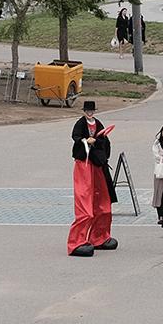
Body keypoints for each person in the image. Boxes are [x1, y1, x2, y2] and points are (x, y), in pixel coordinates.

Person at [67, 101, 118, 257]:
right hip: (85, 162)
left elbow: (105, 141)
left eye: (91, 110)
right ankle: (76, 242)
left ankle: (99, 236)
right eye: (87, 110)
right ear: (84, 111)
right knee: (85, 203)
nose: (90, 113)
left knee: (104, 204)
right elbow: (76, 137)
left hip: (97, 163)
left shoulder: (98, 123)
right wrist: (86, 141)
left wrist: (98, 141)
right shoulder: (80, 124)